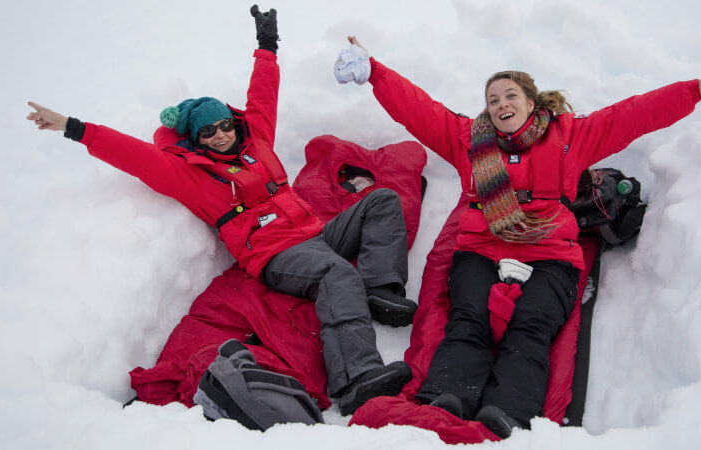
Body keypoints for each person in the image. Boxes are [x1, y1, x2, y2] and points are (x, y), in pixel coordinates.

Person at [335, 36, 701, 437]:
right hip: (480, 250)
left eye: (510, 96)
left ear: (531, 103)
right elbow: (417, 108)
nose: (501, 105)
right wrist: (374, 71)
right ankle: (448, 397)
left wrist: (696, 89)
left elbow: (634, 114)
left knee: (530, 329)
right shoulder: (468, 141)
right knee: (468, 321)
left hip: (550, 254)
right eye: (493, 99)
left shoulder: (570, 135)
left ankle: (509, 413)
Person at [26, 6, 417, 416]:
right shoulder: (191, 174)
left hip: (315, 233)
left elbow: (263, 93)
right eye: (207, 132)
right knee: (336, 274)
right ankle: (355, 379)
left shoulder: (256, 141)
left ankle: (378, 290)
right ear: (197, 139)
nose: (220, 135)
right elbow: (133, 155)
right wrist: (72, 127)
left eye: (224, 125)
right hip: (274, 255)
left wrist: (267, 45)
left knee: (382, 200)